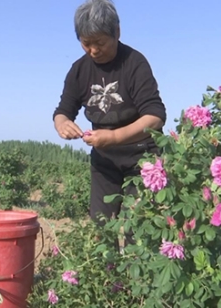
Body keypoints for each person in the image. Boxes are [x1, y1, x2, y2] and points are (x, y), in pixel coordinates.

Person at [52, 0, 166, 248]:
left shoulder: (134, 63)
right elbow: (62, 111)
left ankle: (141, 282)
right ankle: (108, 284)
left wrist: (114, 137)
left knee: (140, 229)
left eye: (100, 42)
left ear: (117, 32)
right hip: (105, 162)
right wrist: (62, 124)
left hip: (143, 158)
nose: (93, 50)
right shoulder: (79, 70)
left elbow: (155, 116)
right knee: (100, 228)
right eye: (85, 43)